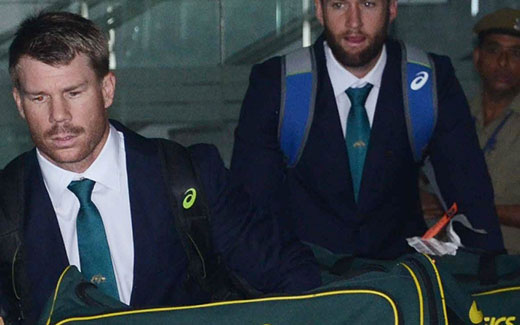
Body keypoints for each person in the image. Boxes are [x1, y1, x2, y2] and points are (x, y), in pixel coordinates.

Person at [0, 12, 320, 324]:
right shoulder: (6, 205)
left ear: (107, 89)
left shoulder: (189, 177)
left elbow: (292, 273)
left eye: (73, 93)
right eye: (39, 97)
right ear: (19, 102)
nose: (59, 116)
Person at [231, 0, 504, 259]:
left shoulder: (428, 82)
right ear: (319, 10)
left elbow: (473, 204)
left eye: (368, 4)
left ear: (392, 8)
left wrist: (483, 287)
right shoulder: (278, 84)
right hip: (304, 286)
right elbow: (251, 213)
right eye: (339, 5)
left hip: (400, 286)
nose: (354, 23)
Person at [471, 8, 520, 253]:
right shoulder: (451, 115)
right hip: (455, 267)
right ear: (477, 57)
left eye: (515, 53)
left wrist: (462, 207)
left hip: (512, 272)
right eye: (494, 50)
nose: (503, 63)